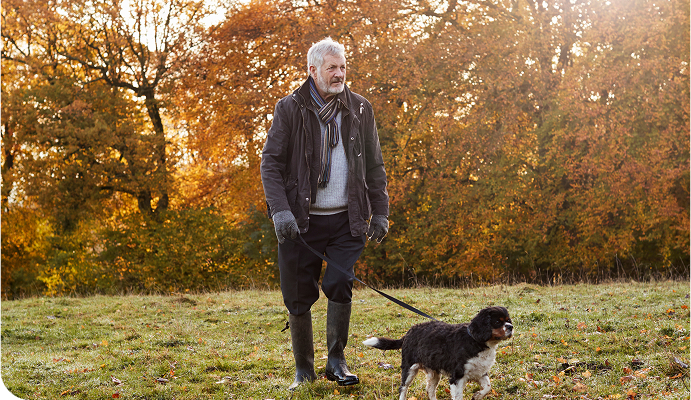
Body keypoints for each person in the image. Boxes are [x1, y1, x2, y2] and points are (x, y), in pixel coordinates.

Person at [260, 37, 389, 390]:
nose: (339, 73)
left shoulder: (360, 108)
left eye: (343, 66)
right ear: (312, 70)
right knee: (298, 293)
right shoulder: (290, 108)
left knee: (339, 282)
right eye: (331, 67)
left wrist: (380, 212)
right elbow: (270, 163)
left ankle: (336, 361)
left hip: (348, 219)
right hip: (300, 221)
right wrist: (280, 212)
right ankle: (304, 369)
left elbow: (375, 165)